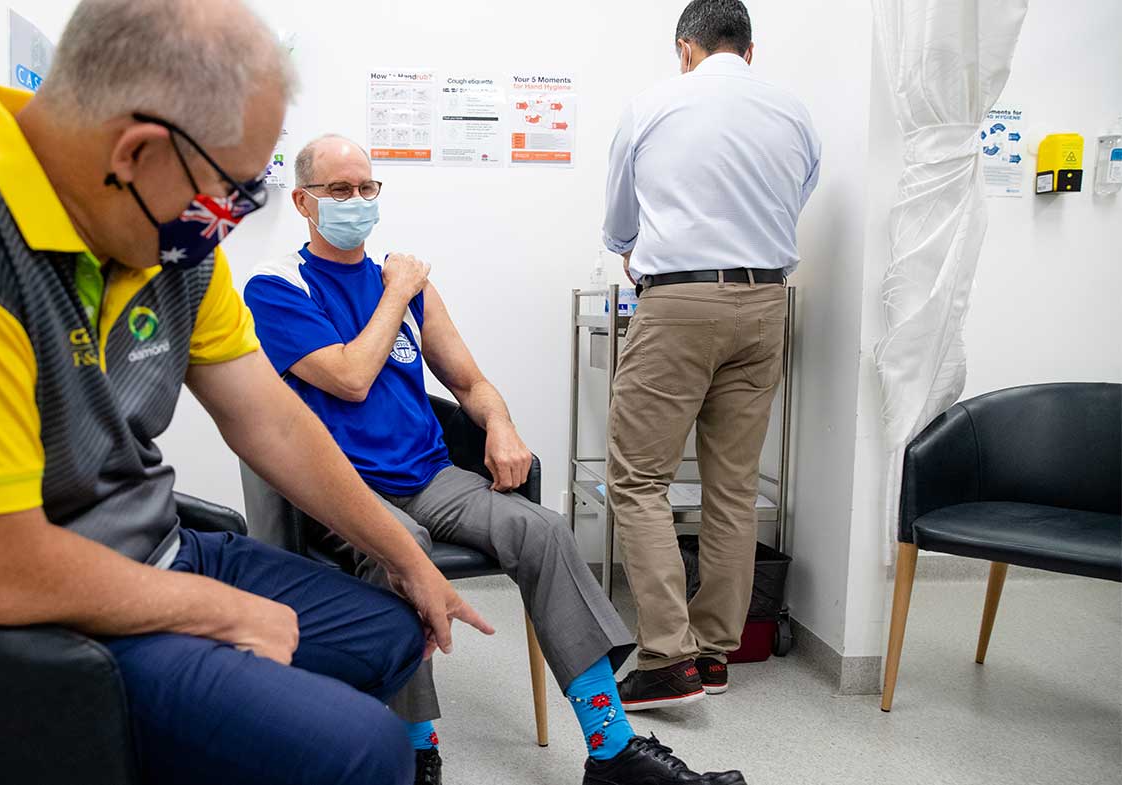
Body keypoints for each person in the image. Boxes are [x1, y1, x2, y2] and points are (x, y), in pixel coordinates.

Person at [0, 2, 495, 783]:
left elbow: (274, 422)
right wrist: (219, 611)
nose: (228, 221)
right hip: (9, 618)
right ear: (136, 151)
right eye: (231, 192)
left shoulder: (173, 241)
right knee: (365, 747)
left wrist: (405, 555)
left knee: (391, 630)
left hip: (154, 548)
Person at [242, 134, 748, 785]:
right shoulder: (278, 286)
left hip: (430, 476)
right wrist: (396, 292)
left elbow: (471, 383)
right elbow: (349, 378)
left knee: (544, 531)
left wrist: (502, 424)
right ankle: (415, 750)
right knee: (404, 546)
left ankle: (612, 747)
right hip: (340, 489)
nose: (358, 200)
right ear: (303, 202)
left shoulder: (411, 287)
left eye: (368, 187)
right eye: (340, 189)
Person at [601, 0, 821, 709]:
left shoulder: (653, 104)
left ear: (685, 48)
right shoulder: (794, 113)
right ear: (749, 51)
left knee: (639, 480)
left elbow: (620, 223)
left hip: (680, 302)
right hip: (767, 304)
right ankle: (715, 652)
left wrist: (637, 249)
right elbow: (797, 196)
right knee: (733, 487)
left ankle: (668, 657)